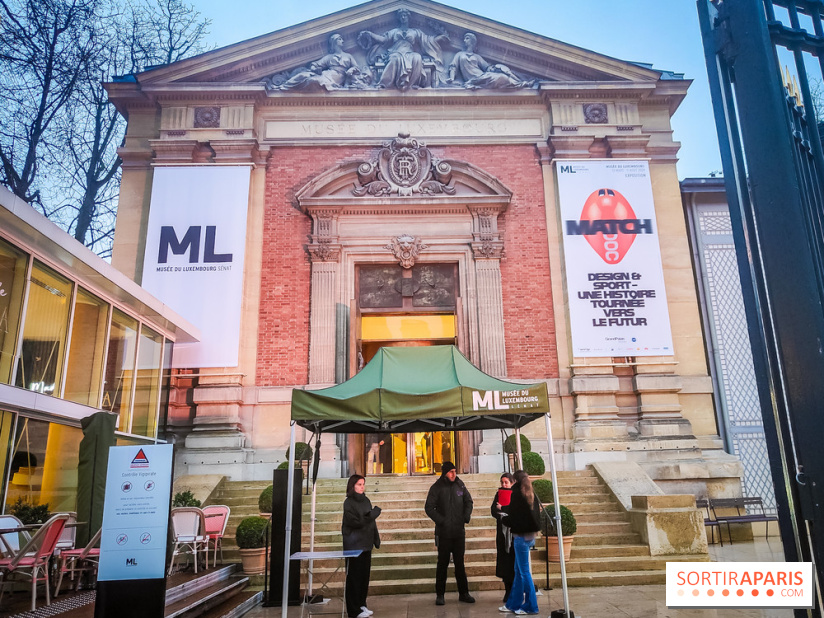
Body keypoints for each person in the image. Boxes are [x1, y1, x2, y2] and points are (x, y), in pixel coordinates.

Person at [358, 8, 449, 90]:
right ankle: (384, 83)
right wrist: (371, 34)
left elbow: (428, 40)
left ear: (408, 17)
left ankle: (411, 83)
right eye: (401, 16)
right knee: (395, 59)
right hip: (395, 52)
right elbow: (383, 40)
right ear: (399, 18)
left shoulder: (415, 32)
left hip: (409, 52)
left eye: (405, 15)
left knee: (417, 58)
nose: (403, 17)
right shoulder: (394, 32)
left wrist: (440, 38)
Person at [424, 461, 475, 606]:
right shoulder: (436, 487)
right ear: (445, 473)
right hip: (444, 532)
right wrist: (442, 521)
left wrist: (466, 516)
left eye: (455, 471)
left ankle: (464, 593)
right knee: (442, 564)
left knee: (460, 564)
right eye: (451, 472)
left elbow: (468, 501)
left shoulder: (460, 484)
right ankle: (440, 594)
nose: (454, 474)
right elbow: (429, 507)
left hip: (459, 532)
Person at [500, 470, 542, 615]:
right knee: (518, 572)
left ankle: (531, 606)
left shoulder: (517, 495)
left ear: (515, 481)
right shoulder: (531, 494)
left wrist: (503, 517)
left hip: (520, 538)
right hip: (530, 537)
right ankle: (513, 603)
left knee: (524, 573)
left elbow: (513, 518)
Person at [342, 475, 381, 618]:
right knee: (354, 577)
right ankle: (353, 610)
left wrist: (376, 538)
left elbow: (371, 522)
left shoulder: (366, 500)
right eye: (359, 484)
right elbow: (355, 522)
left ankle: (362, 604)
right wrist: (372, 515)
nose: (362, 487)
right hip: (353, 545)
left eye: (363, 484)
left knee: (364, 577)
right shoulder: (348, 503)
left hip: (366, 544)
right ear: (352, 486)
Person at [271, 34, 367, 92]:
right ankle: (283, 86)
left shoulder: (348, 56)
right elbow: (315, 64)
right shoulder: (329, 57)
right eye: (340, 39)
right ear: (334, 42)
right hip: (326, 74)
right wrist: (314, 68)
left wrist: (351, 69)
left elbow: (357, 68)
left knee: (313, 81)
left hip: (336, 78)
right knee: (304, 75)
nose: (342, 41)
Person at [447, 33, 534, 90]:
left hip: (483, 76)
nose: (464, 40)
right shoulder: (459, 54)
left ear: (472, 42)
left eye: (467, 38)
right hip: (474, 80)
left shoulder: (477, 57)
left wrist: (496, 68)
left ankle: (522, 83)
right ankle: (522, 83)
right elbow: (453, 66)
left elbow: (487, 67)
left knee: (504, 77)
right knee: (502, 78)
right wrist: (451, 78)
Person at [491, 472, 515, 602]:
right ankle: (507, 590)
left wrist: (505, 508)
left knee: (513, 561)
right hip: (501, 532)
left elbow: (516, 510)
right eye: (502, 482)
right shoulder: (498, 494)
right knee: (504, 562)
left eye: (506, 482)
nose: (504, 484)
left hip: (514, 533)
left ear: (512, 483)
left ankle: (515, 590)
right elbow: (493, 509)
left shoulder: (516, 494)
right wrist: (500, 512)